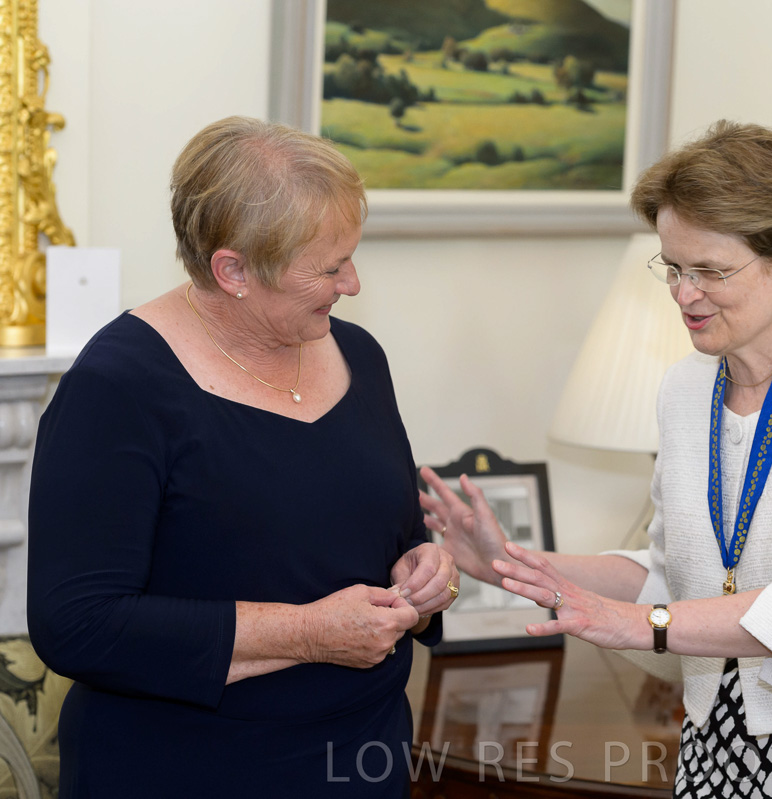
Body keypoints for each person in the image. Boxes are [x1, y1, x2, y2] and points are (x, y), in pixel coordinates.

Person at [420, 120, 772, 798]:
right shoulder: (686, 389)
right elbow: (673, 575)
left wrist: (645, 627)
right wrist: (512, 564)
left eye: (711, 271)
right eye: (674, 267)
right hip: (722, 735)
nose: (684, 294)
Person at [27, 116, 459, 798]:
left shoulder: (361, 357)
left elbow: (394, 534)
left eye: (350, 257)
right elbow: (77, 625)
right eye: (329, 267)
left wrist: (426, 573)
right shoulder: (117, 386)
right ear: (232, 270)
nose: (353, 283)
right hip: (185, 771)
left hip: (363, 758)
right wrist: (309, 633)